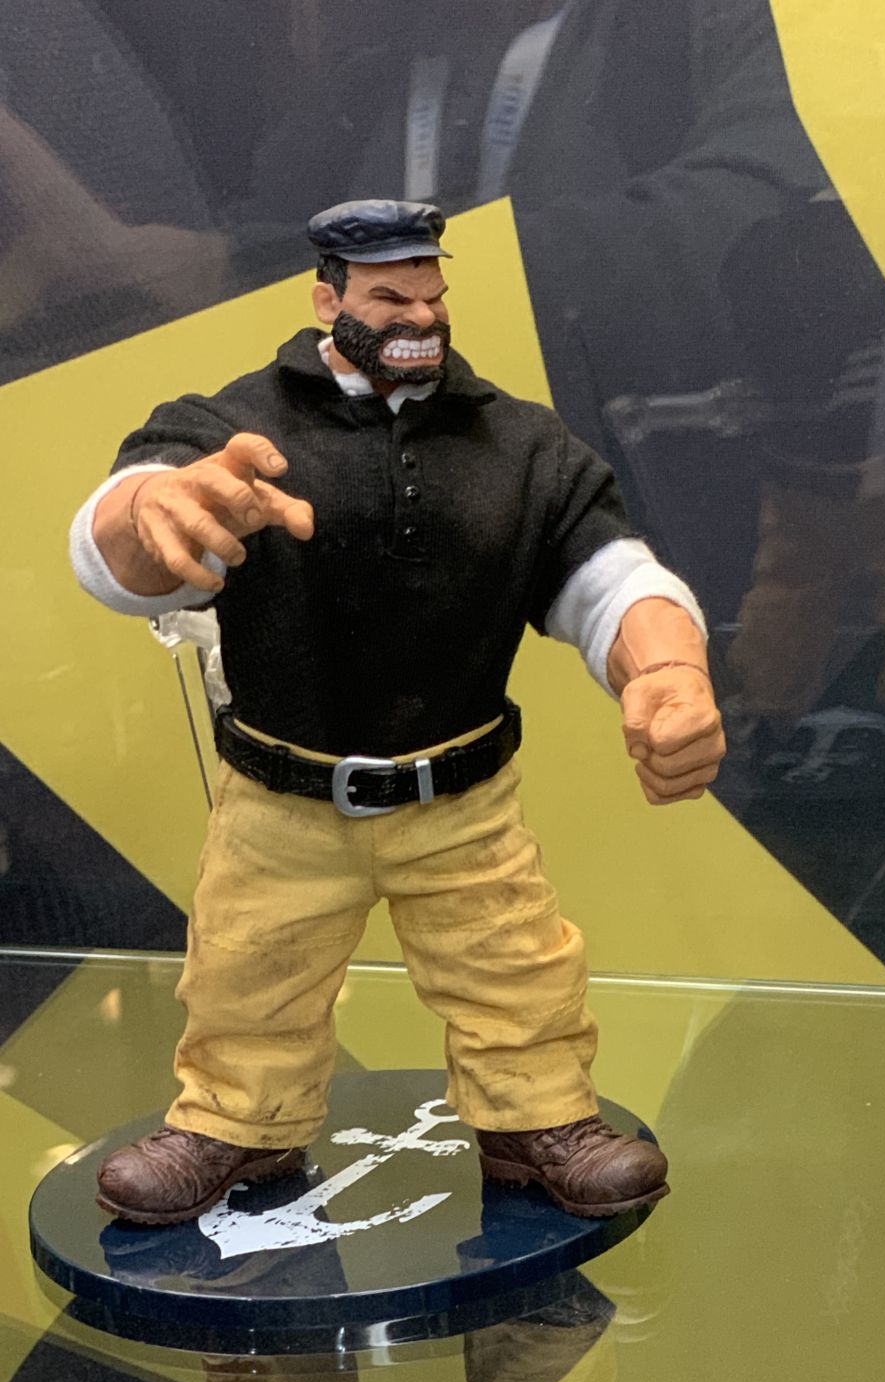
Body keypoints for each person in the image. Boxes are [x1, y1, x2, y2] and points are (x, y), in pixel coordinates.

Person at [67, 199, 723, 1225]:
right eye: (390, 296)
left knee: (514, 970)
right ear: (327, 300)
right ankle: (237, 1122)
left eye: (432, 295)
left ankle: (536, 1120)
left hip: (461, 805)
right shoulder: (232, 427)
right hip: (280, 805)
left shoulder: (520, 444)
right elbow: (128, 524)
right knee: (247, 977)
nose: (420, 316)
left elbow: (607, 574)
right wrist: (147, 517)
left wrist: (667, 669)